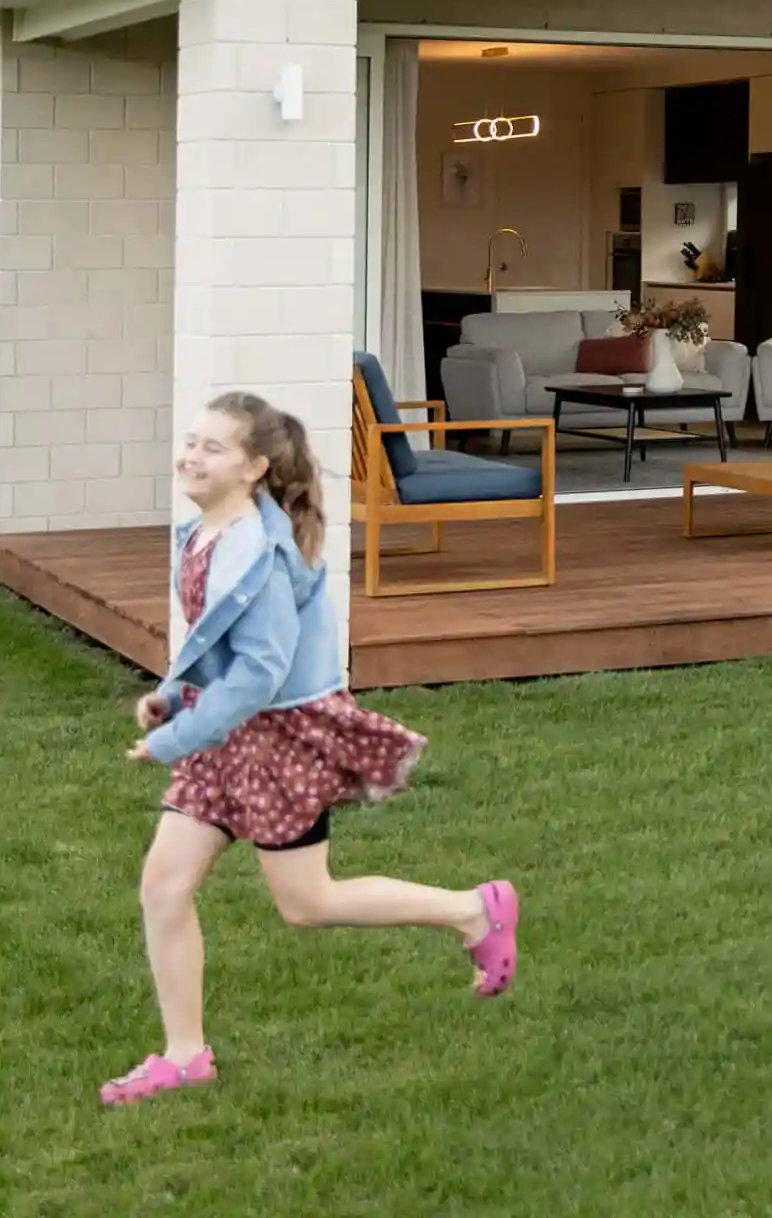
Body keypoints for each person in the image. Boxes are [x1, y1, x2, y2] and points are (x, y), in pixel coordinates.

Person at [102, 392, 520, 1107]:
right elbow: (216, 645)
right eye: (191, 441)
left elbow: (261, 671)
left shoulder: (260, 557)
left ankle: (472, 910)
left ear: (255, 469)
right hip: (227, 734)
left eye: (213, 448)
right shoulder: (206, 531)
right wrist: (173, 693)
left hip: (274, 742)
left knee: (307, 902)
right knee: (163, 887)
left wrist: (175, 736)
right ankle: (185, 1055)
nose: (191, 455)